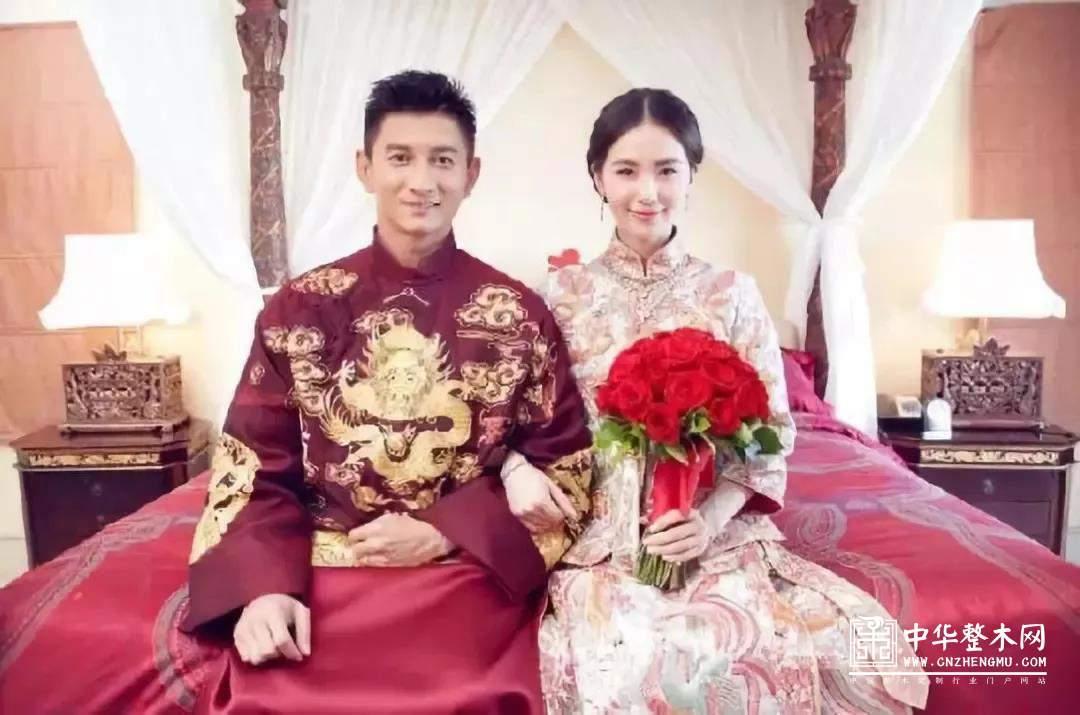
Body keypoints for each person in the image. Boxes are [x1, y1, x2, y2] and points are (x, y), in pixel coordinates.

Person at [503, 88, 929, 713]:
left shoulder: (731, 293)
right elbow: (514, 421)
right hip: (597, 535)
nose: (648, 192)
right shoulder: (558, 295)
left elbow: (772, 433)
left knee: (761, 645)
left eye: (667, 170)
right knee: (620, 655)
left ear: (691, 175)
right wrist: (516, 471)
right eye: (626, 171)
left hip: (709, 526)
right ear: (598, 178)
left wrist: (709, 519)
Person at [183, 70, 593, 714]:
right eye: (400, 157)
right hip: (319, 567)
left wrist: (444, 532)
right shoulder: (299, 308)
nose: (421, 181)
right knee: (273, 688)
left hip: (461, 574)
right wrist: (264, 586)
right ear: (365, 167)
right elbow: (255, 465)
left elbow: (565, 474)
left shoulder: (518, 315)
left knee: (472, 695)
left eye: (442, 160)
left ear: (471, 174)